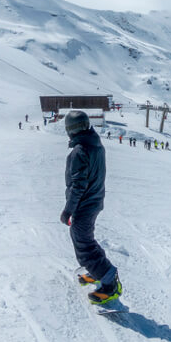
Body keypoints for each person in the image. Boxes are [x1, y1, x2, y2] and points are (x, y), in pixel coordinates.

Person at [60, 110, 121, 305]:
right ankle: (97, 272)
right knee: (85, 239)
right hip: (94, 200)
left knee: (83, 243)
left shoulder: (80, 151)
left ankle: (110, 282)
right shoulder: (94, 144)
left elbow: (78, 185)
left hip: (85, 204)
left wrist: (68, 210)